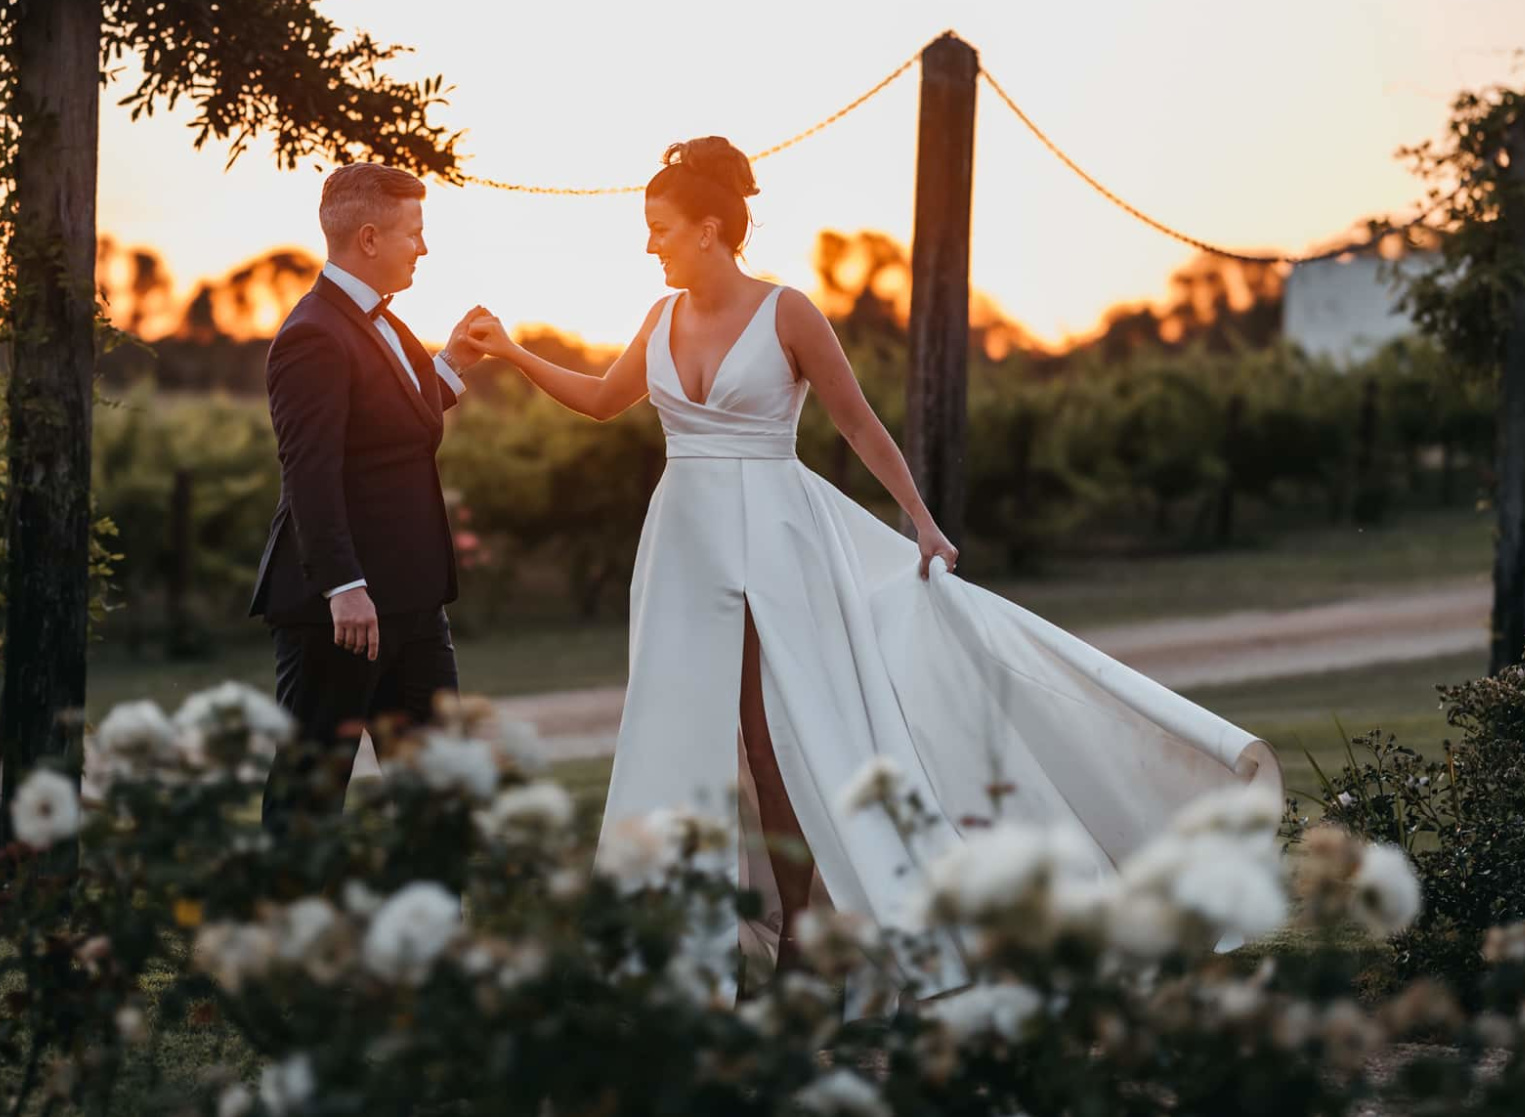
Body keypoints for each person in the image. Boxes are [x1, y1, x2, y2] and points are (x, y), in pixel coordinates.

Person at [465, 137, 1281, 985]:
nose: (649, 244)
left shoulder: (788, 313)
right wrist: (514, 353)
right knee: (681, 730)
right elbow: (602, 400)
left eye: (660, 228)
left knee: (781, 733)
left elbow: (856, 422)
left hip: (779, 541)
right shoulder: (658, 319)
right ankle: (673, 938)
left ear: (709, 228)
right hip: (682, 547)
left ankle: (801, 937)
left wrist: (921, 521)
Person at [250, 162, 490, 824]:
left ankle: (437, 927)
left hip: (414, 605)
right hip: (343, 614)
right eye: (415, 231)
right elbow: (310, 471)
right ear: (369, 238)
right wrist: (342, 585)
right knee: (309, 794)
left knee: (438, 792)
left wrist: (453, 364)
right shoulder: (311, 335)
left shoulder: (385, 323)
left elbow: (396, 422)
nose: (424, 246)